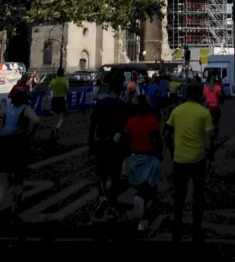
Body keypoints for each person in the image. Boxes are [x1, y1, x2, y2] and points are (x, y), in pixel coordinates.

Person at [165, 83, 214, 243]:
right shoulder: (204, 112)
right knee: (198, 194)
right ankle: (197, 228)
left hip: (179, 159)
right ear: (199, 95)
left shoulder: (177, 110)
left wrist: (172, 150)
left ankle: (177, 228)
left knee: (179, 194)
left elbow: (166, 132)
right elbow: (210, 137)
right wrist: (210, 154)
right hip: (198, 158)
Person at [0, 87, 39, 218]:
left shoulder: (5, 109)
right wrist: (31, 133)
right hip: (19, 144)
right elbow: (36, 120)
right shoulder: (25, 109)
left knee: (3, 179)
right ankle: (15, 206)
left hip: (4, 144)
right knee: (18, 177)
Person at [90, 78, 129, 219]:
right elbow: (127, 129)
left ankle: (102, 197)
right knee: (115, 175)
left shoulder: (100, 104)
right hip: (116, 145)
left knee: (101, 174)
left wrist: (91, 144)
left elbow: (92, 126)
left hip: (101, 143)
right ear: (120, 91)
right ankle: (112, 203)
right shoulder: (123, 106)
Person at [124, 94, 164, 232]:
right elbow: (156, 138)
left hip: (135, 156)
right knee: (150, 186)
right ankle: (143, 214)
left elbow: (126, 139)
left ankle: (142, 211)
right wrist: (160, 153)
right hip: (149, 156)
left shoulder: (130, 122)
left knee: (140, 183)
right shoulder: (152, 120)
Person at [48, 68, 69, 138]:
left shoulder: (53, 80)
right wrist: (65, 92)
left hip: (54, 99)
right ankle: (57, 127)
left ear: (57, 73)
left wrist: (45, 98)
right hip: (61, 99)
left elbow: (48, 90)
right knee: (61, 117)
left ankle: (54, 130)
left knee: (54, 117)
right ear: (63, 73)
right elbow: (67, 89)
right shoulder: (65, 80)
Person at [203, 77, 222, 141]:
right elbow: (220, 95)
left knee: (209, 124)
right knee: (216, 123)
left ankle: (210, 138)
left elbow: (203, 97)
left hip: (208, 108)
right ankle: (215, 137)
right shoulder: (217, 87)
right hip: (215, 107)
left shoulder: (205, 88)